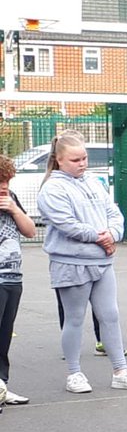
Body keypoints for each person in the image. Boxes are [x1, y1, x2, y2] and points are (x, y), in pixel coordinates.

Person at [37, 133, 127, 393]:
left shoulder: (94, 183)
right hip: (70, 263)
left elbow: (113, 212)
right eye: (75, 160)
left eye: (84, 158)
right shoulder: (52, 188)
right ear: (59, 160)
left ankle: (120, 370)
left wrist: (113, 233)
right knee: (74, 319)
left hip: (102, 263)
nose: (82, 163)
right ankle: (74, 373)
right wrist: (100, 238)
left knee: (110, 315)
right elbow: (67, 224)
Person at [0, 154, 37, 405]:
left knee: (4, 336)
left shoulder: (10, 199)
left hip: (13, 277)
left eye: (7, 181)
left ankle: (2, 385)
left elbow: (30, 230)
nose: (4, 187)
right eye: (0, 182)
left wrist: (13, 209)